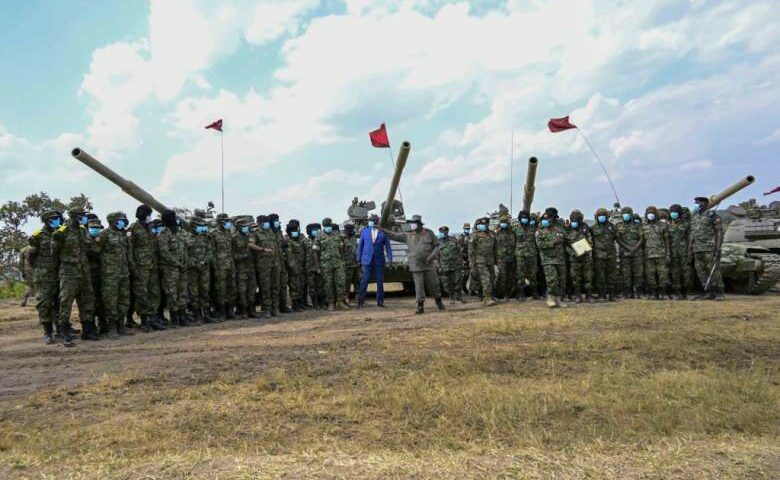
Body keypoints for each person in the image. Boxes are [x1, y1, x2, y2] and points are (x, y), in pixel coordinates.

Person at [53, 207, 96, 346]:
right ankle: (64, 332)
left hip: (84, 271)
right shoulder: (61, 233)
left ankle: (88, 330)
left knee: (87, 300)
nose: (84, 217)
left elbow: (89, 248)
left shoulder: (83, 231)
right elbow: (54, 254)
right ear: (75, 217)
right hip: (69, 273)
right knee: (66, 302)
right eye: (82, 215)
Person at [384, 215, 444, 314]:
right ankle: (420, 305)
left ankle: (438, 301)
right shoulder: (408, 235)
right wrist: (383, 230)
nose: (413, 225)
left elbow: (437, 246)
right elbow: (394, 235)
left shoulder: (429, 233)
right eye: (412, 223)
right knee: (419, 286)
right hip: (416, 265)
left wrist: (432, 256)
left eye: (415, 223)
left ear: (420, 224)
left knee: (433, 285)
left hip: (428, 264)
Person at [96, 212, 132, 339]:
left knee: (124, 299)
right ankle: (112, 327)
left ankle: (121, 325)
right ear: (112, 221)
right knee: (111, 300)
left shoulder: (123, 234)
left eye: (123, 220)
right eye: (120, 220)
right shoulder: (105, 234)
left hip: (123, 271)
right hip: (110, 273)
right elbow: (96, 250)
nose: (122, 222)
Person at [28, 210, 62, 344]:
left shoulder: (60, 233)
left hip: (59, 273)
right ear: (46, 220)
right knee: (44, 304)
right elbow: (31, 256)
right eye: (54, 219)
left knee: (59, 303)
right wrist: (39, 270)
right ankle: (48, 332)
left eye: (58, 218)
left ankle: (60, 329)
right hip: (44, 276)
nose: (57, 221)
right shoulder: (38, 236)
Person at [129, 205, 161, 332]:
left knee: (154, 292)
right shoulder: (133, 228)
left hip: (152, 266)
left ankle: (153, 319)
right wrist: (133, 267)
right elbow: (129, 250)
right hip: (140, 267)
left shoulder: (150, 227)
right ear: (143, 215)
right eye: (149, 215)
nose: (150, 217)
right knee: (142, 294)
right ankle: (144, 321)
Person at [689, 196, 725, 300]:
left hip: (709, 247)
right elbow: (692, 234)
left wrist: (718, 247)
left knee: (713, 271)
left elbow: (719, 232)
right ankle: (708, 292)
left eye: (698, 202)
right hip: (697, 248)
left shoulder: (712, 215)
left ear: (705, 203)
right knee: (701, 271)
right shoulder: (695, 217)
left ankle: (719, 292)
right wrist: (690, 249)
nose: (696, 204)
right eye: (695, 203)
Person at [158, 210, 189, 327]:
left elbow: (185, 249)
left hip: (182, 268)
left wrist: (184, 263)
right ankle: (175, 318)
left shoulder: (180, 233)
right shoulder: (164, 234)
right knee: (172, 293)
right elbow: (164, 252)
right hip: (170, 269)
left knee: (182, 292)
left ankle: (183, 316)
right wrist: (176, 263)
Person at [356, 214, 392, 308]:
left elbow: (388, 247)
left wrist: (389, 259)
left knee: (380, 282)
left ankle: (380, 302)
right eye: (370, 220)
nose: (370, 222)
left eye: (372, 220)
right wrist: (358, 259)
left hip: (379, 261)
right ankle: (360, 302)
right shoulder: (364, 231)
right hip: (366, 260)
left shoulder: (382, 232)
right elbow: (360, 246)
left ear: (377, 222)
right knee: (364, 281)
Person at [249, 215, 280, 318]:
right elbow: (250, 245)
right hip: (263, 265)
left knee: (275, 287)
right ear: (260, 223)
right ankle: (267, 310)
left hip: (274, 263)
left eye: (267, 222)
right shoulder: (255, 232)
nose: (267, 224)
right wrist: (263, 249)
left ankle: (275, 309)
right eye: (265, 222)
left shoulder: (270, 231)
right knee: (266, 288)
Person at [536, 208, 567, 308]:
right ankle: (551, 298)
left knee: (561, 280)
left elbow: (567, 239)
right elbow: (540, 244)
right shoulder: (540, 230)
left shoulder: (560, 228)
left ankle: (558, 300)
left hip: (560, 258)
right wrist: (553, 243)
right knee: (551, 280)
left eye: (550, 218)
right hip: (547, 259)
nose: (547, 220)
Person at [187, 217, 215, 324]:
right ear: (193, 226)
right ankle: (197, 315)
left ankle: (207, 314)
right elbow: (185, 255)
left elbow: (210, 252)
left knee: (205, 291)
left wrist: (204, 261)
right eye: (200, 226)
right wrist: (195, 263)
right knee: (194, 293)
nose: (202, 228)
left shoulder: (205, 238)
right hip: (193, 270)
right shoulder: (186, 238)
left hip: (204, 269)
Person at [317, 218, 348, 311]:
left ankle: (340, 302)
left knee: (340, 283)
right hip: (326, 264)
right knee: (328, 284)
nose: (328, 227)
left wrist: (342, 260)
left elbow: (341, 248)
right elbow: (315, 252)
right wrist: (318, 266)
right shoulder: (319, 236)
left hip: (338, 263)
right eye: (327, 226)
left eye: (329, 226)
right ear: (324, 227)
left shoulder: (337, 235)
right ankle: (330, 303)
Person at [641, 206, 671, 300]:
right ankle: (653, 293)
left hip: (661, 254)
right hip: (648, 255)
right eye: (649, 213)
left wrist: (668, 253)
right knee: (650, 275)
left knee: (663, 275)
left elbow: (666, 240)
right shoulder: (643, 226)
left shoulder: (662, 225)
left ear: (656, 214)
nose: (651, 215)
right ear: (646, 214)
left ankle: (663, 293)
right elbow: (642, 240)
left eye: (652, 213)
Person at [565, 209, 593, 303]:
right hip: (574, 258)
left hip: (585, 256)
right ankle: (578, 296)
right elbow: (566, 245)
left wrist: (582, 252)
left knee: (588, 277)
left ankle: (589, 296)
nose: (574, 221)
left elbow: (590, 241)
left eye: (576, 219)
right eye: (572, 219)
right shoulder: (568, 230)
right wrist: (574, 253)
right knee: (575, 278)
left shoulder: (585, 228)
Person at [211, 213, 236, 320]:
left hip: (230, 265)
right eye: (226, 221)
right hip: (220, 267)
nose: (228, 223)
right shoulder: (213, 234)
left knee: (232, 289)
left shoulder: (228, 233)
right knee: (221, 290)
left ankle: (230, 311)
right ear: (220, 221)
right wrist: (215, 268)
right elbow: (212, 252)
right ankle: (222, 312)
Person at [615, 206, 643, 298]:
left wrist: (635, 248)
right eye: (624, 213)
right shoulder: (619, 226)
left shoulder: (637, 225)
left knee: (637, 273)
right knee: (626, 274)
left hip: (637, 253)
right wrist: (628, 248)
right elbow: (618, 239)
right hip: (624, 253)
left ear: (631, 214)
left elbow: (642, 238)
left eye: (627, 213)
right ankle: (628, 292)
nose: (626, 215)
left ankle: (638, 292)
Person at [591, 207, 618, 301]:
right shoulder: (593, 228)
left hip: (611, 254)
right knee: (600, 276)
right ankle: (601, 295)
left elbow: (617, 238)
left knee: (611, 275)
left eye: (603, 215)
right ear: (596, 217)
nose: (601, 217)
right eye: (600, 215)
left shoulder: (612, 226)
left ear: (607, 216)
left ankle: (612, 295)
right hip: (598, 255)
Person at [470, 217, 497, 307]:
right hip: (480, 260)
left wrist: (496, 260)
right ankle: (487, 298)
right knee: (486, 278)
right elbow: (471, 250)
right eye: (480, 224)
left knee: (492, 277)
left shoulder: (492, 234)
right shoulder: (475, 235)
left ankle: (489, 295)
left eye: (484, 224)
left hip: (490, 260)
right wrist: (472, 263)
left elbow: (495, 248)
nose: (482, 226)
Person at [513, 210, 538, 301]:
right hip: (520, 254)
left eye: (526, 218)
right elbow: (512, 241)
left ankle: (535, 292)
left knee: (533, 273)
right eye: (523, 218)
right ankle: (520, 293)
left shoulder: (533, 227)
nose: (524, 219)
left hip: (532, 253)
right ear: (520, 218)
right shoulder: (515, 228)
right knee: (520, 274)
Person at [668, 204, 691, 299]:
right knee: (675, 272)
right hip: (673, 252)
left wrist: (690, 251)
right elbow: (667, 240)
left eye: (675, 212)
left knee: (686, 272)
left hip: (684, 252)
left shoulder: (686, 225)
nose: (673, 213)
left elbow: (690, 238)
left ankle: (687, 292)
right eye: (671, 212)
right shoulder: (668, 225)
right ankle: (677, 292)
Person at [436, 226, 464, 304]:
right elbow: (437, 255)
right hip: (445, 265)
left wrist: (461, 262)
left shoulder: (454, 240)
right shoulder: (437, 242)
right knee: (447, 283)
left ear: (447, 232)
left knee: (458, 281)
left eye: (445, 231)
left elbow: (459, 252)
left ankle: (459, 296)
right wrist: (439, 266)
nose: (443, 233)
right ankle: (451, 297)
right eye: (441, 231)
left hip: (455, 264)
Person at [285, 219, 306, 312]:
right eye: (294, 231)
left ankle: (300, 303)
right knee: (294, 286)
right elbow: (289, 257)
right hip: (294, 268)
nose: (296, 232)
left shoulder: (299, 240)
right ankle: (295, 304)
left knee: (300, 285)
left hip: (301, 266)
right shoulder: (289, 242)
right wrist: (293, 268)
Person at [495, 214, 516, 300]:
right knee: (502, 277)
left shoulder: (512, 233)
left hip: (511, 257)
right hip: (501, 258)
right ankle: (500, 294)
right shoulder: (496, 234)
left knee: (511, 277)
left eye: (505, 222)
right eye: (502, 222)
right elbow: (493, 247)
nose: (503, 224)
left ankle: (509, 294)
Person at [305, 222, 324, 309]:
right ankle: (315, 304)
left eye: (317, 230)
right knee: (312, 287)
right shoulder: (305, 241)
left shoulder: (321, 240)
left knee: (320, 286)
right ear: (309, 231)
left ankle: (322, 303)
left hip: (320, 267)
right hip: (309, 268)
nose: (316, 232)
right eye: (314, 230)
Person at [342, 223, 360, 302]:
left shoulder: (355, 238)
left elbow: (359, 248)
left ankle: (358, 296)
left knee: (357, 280)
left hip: (356, 263)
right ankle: (346, 296)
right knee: (347, 281)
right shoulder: (342, 239)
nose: (350, 231)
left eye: (351, 230)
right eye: (349, 230)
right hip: (347, 264)